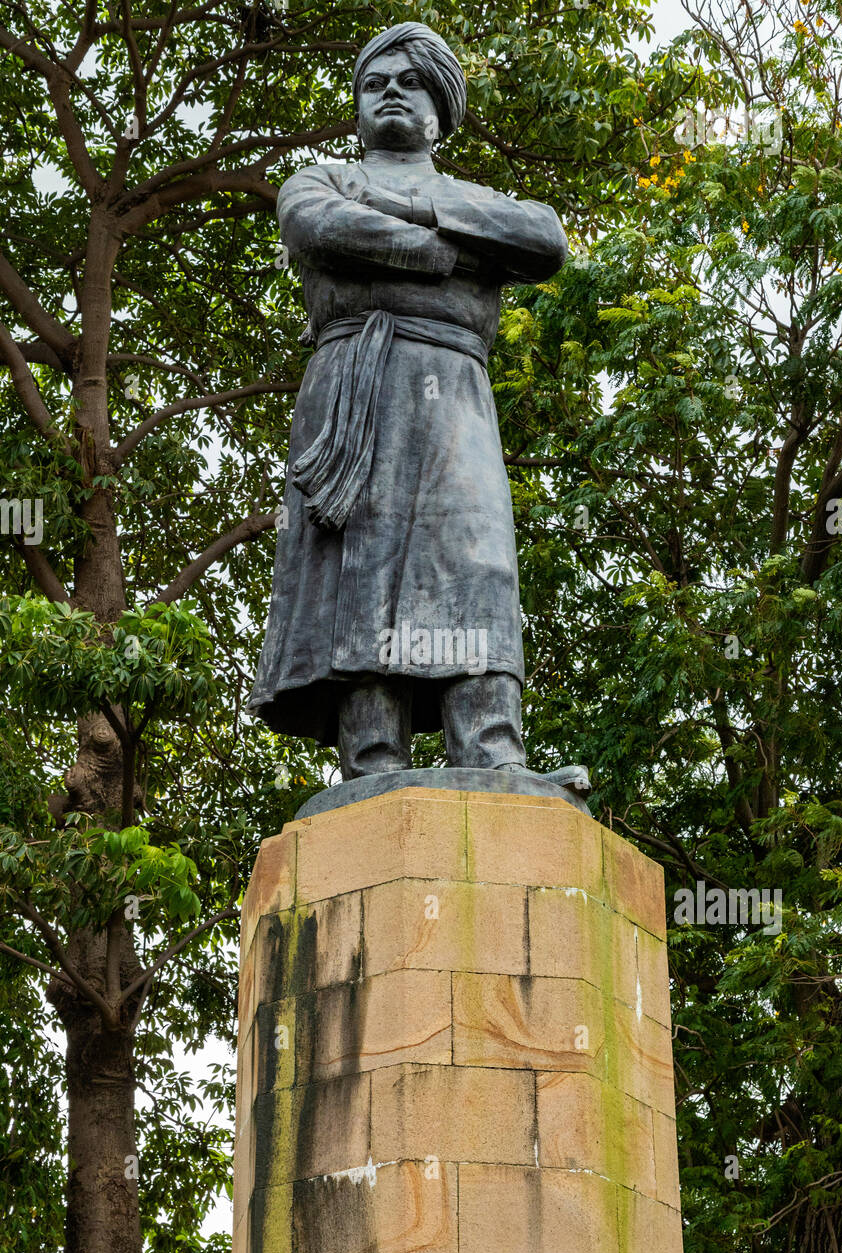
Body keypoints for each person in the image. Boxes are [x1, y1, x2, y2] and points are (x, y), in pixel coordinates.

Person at [247, 22, 569, 780]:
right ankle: (373, 763)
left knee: (476, 561)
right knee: (363, 567)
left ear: (441, 107)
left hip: (455, 397)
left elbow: (545, 237)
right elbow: (316, 227)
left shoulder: (474, 196)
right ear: (357, 107)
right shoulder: (319, 180)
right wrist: (448, 257)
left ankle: (494, 755)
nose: (391, 89)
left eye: (410, 80)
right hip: (354, 392)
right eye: (374, 81)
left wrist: (424, 215)